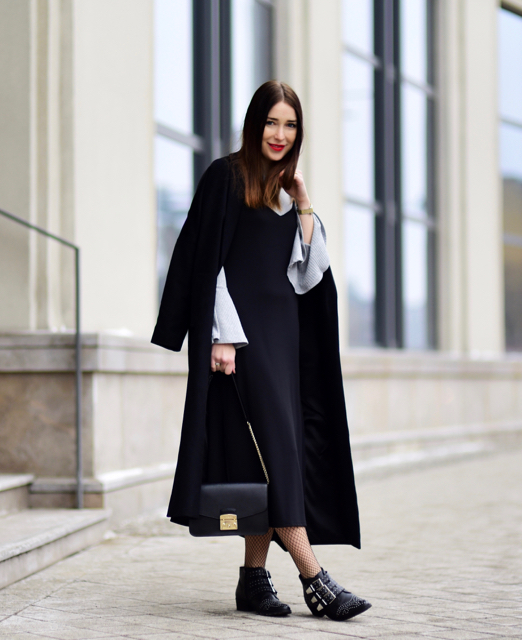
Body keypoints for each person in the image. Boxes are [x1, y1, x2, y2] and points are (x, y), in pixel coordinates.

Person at [151, 80, 371, 622]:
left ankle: (253, 579)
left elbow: (308, 276)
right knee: (276, 457)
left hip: (286, 344)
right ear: (255, 124)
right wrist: (220, 334)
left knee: (273, 458)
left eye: (290, 125)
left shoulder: (285, 191)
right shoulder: (226, 177)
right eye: (272, 122)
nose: (280, 134)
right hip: (244, 344)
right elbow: (209, 265)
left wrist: (302, 205)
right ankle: (315, 578)